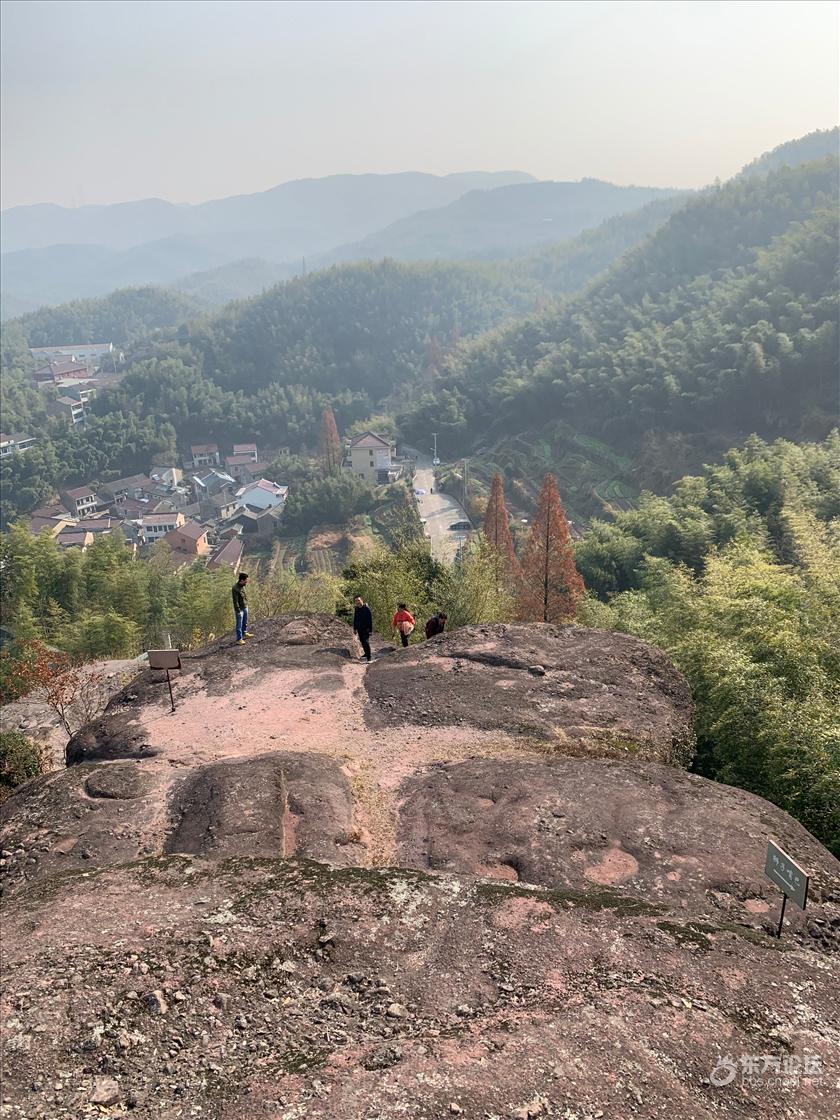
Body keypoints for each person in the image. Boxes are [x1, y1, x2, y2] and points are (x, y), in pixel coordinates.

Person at [232, 572, 252, 645]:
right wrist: (238, 611)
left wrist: (246, 605)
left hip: (245, 606)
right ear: (241, 580)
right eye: (245, 581)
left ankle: (244, 633)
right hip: (239, 609)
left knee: (245, 621)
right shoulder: (235, 588)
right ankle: (239, 639)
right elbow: (235, 601)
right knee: (239, 624)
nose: (246, 582)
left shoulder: (243, 586)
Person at [353, 595, 373, 662]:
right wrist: (354, 628)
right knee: (362, 641)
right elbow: (355, 618)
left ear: (362, 600)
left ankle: (369, 658)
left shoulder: (366, 608)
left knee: (366, 641)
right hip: (359, 628)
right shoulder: (356, 609)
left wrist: (370, 630)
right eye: (356, 601)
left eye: (358, 600)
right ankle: (366, 653)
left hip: (366, 628)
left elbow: (370, 620)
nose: (357, 602)